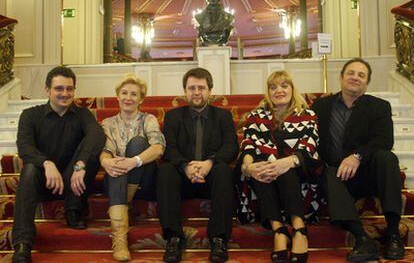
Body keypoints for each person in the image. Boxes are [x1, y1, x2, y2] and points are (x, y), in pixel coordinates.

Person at [312, 58, 405, 261]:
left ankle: (393, 233)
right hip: (335, 178)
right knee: (328, 171)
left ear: (367, 82)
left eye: (361, 75)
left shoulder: (379, 106)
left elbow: (384, 140)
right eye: (351, 73)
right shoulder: (321, 106)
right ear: (341, 77)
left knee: (386, 157)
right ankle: (362, 238)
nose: (355, 77)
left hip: (366, 174)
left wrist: (357, 156)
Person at [12, 66, 105, 263]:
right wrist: (46, 163)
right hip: (43, 181)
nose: (65, 94)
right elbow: (25, 148)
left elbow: (97, 135)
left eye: (69, 89)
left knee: (92, 152)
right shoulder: (30, 115)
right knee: (29, 169)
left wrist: (80, 165)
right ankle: (22, 244)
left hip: (74, 180)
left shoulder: (82, 114)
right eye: (59, 89)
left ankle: (73, 210)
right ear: (47, 90)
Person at [157, 67, 239, 262]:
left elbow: (231, 148)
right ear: (185, 91)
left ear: (210, 90)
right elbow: (169, 148)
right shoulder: (173, 116)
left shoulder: (223, 116)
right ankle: (174, 238)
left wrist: (209, 162)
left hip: (212, 179)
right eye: (191, 87)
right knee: (165, 171)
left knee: (223, 171)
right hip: (182, 178)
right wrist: (186, 167)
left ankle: (219, 239)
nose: (196, 92)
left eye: (201, 88)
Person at [239, 70, 321, 263]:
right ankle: (279, 229)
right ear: (268, 92)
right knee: (261, 167)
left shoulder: (307, 114)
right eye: (273, 87)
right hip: (265, 172)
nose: (279, 90)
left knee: (284, 168)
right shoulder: (257, 115)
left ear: (292, 89)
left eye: (284, 85)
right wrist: (248, 166)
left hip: (300, 171)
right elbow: (249, 144)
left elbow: (310, 146)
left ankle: (299, 228)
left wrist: (286, 162)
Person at [99, 75, 165, 261]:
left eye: (134, 94)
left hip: (145, 180)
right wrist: (106, 162)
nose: (128, 97)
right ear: (117, 96)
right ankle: (120, 239)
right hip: (115, 177)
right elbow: (105, 151)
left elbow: (158, 148)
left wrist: (133, 161)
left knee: (137, 144)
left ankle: (123, 201)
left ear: (141, 99)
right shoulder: (108, 123)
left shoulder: (148, 119)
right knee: (115, 164)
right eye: (124, 93)